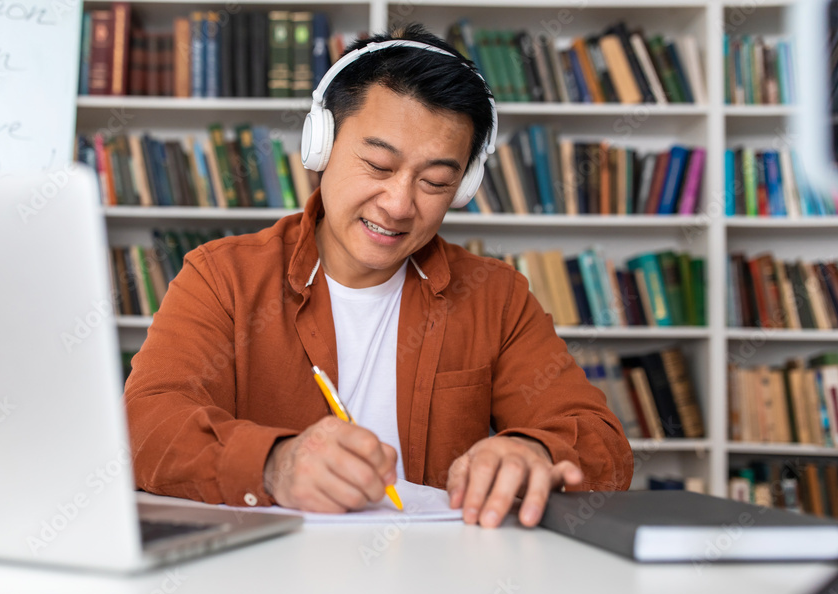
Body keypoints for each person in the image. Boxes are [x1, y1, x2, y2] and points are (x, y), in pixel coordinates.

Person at [124, 24, 633, 529]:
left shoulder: (494, 296)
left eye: (435, 181)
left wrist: (532, 451)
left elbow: (600, 441)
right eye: (378, 165)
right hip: (271, 582)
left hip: (439, 583)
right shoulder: (223, 277)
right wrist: (274, 464)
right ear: (320, 146)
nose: (398, 205)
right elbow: (145, 426)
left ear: (464, 186)